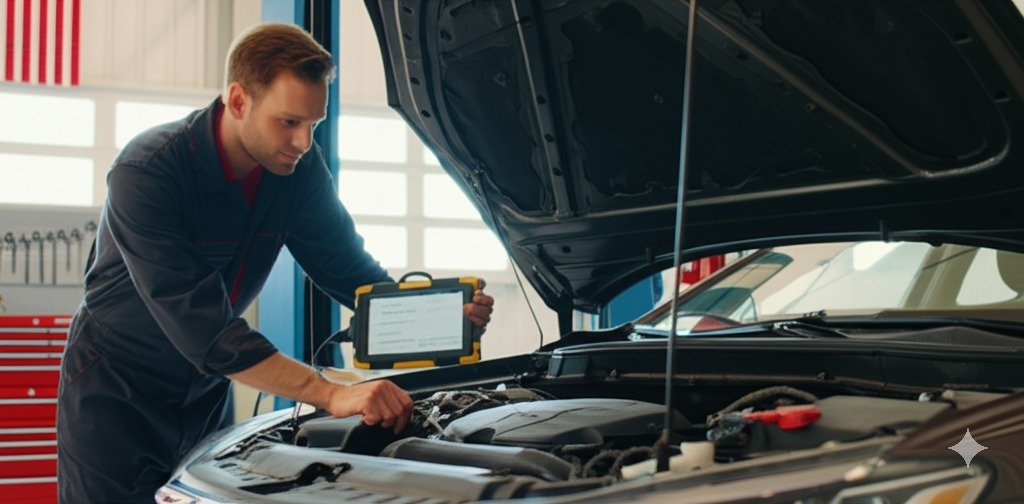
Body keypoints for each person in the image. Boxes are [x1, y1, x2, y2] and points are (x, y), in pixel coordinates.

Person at [55, 23, 494, 503]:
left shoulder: (296, 172)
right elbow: (202, 326)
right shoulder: (147, 172)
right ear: (239, 100)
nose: (304, 142)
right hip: (116, 390)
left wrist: (438, 315)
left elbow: (347, 270)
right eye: (288, 122)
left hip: (204, 391)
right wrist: (327, 391)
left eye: (314, 124)